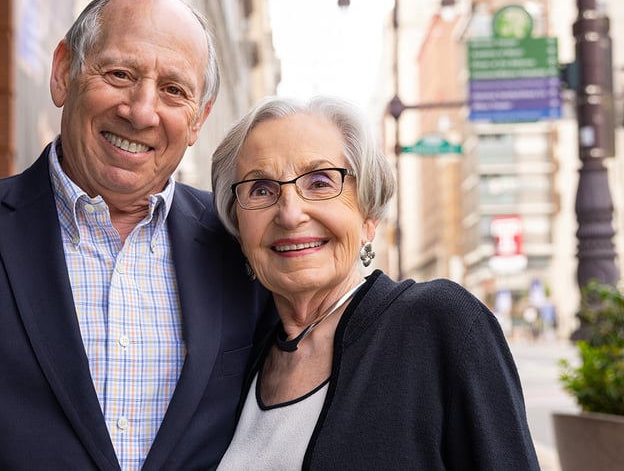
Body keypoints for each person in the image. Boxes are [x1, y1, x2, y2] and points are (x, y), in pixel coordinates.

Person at [0, 0, 270, 471]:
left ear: (198, 119)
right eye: (121, 73)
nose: (142, 110)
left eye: (174, 90)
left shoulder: (243, 243)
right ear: (64, 73)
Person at [211, 95, 540, 470]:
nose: (289, 213)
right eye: (261, 189)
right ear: (238, 229)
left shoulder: (439, 325)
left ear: (368, 216)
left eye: (320, 182)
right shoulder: (242, 357)